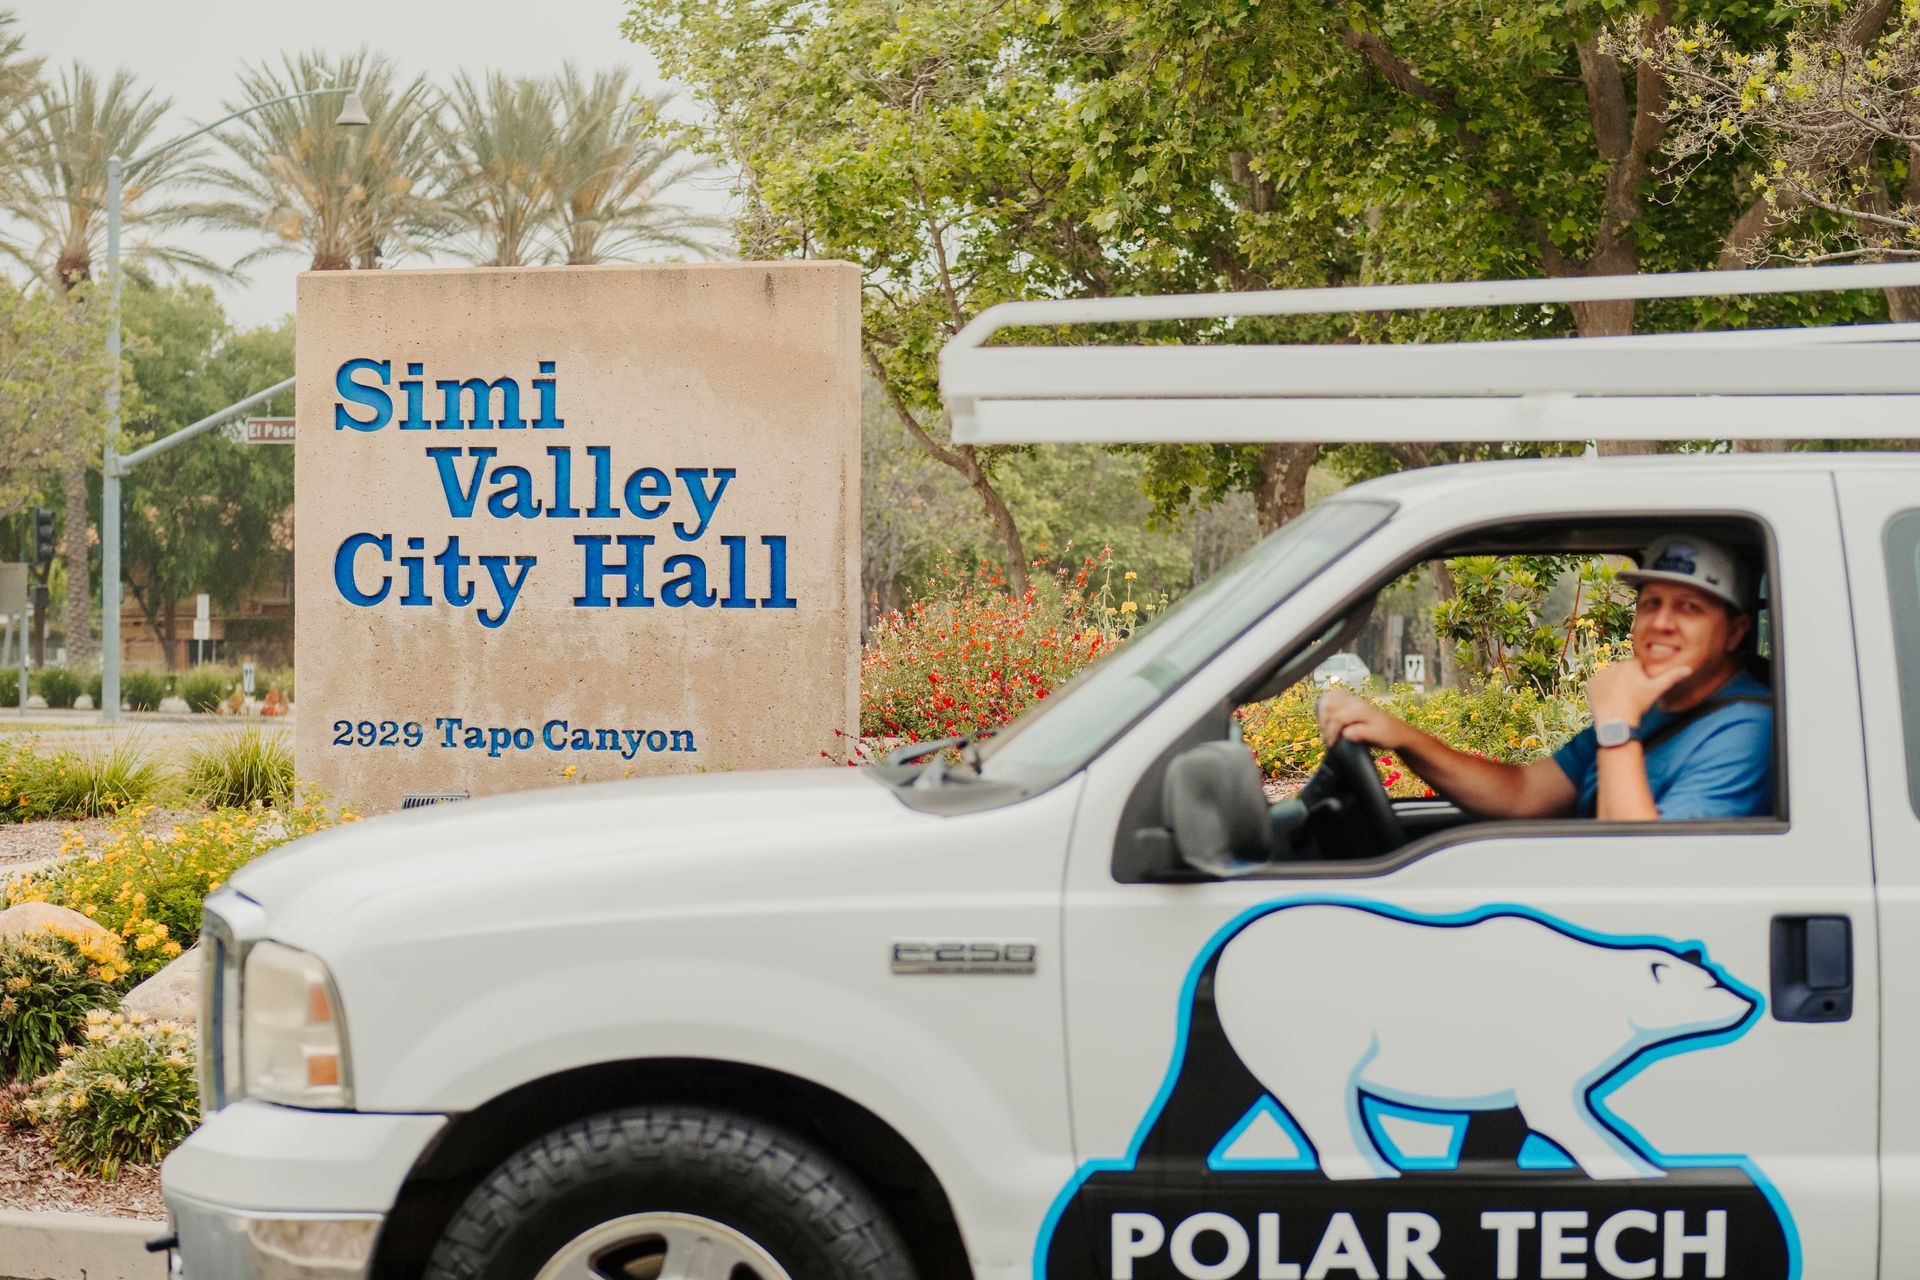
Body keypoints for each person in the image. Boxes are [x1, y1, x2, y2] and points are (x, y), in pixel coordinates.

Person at [1317, 535, 1774, 822]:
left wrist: (1617, 723)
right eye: (1652, 603)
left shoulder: (1747, 729)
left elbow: (1644, 874)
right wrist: (1405, 738)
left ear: (1735, 631)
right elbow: (1525, 794)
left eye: (1690, 608)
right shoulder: (1656, 704)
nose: (1661, 623)